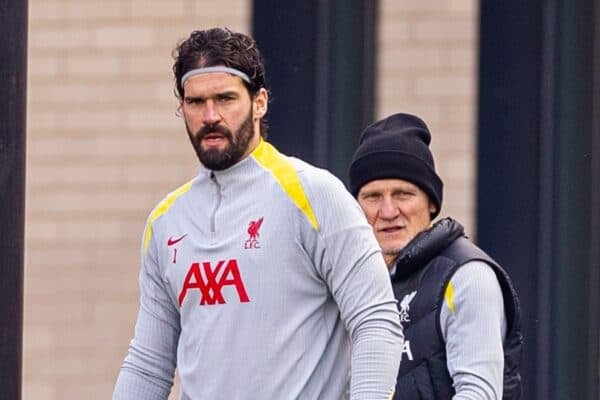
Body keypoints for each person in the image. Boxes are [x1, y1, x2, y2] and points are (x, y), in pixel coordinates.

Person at [113, 27, 403, 400]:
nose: (211, 115)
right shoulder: (166, 220)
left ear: (259, 101)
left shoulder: (314, 194)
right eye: (196, 102)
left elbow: (376, 321)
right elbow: (149, 364)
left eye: (225, 98)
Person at [348, 113, 523, 399]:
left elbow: (479, 394)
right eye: (373, 196)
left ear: (431, 203)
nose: (388, 211)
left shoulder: (467, 276)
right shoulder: (354, 282)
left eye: (403, 194)